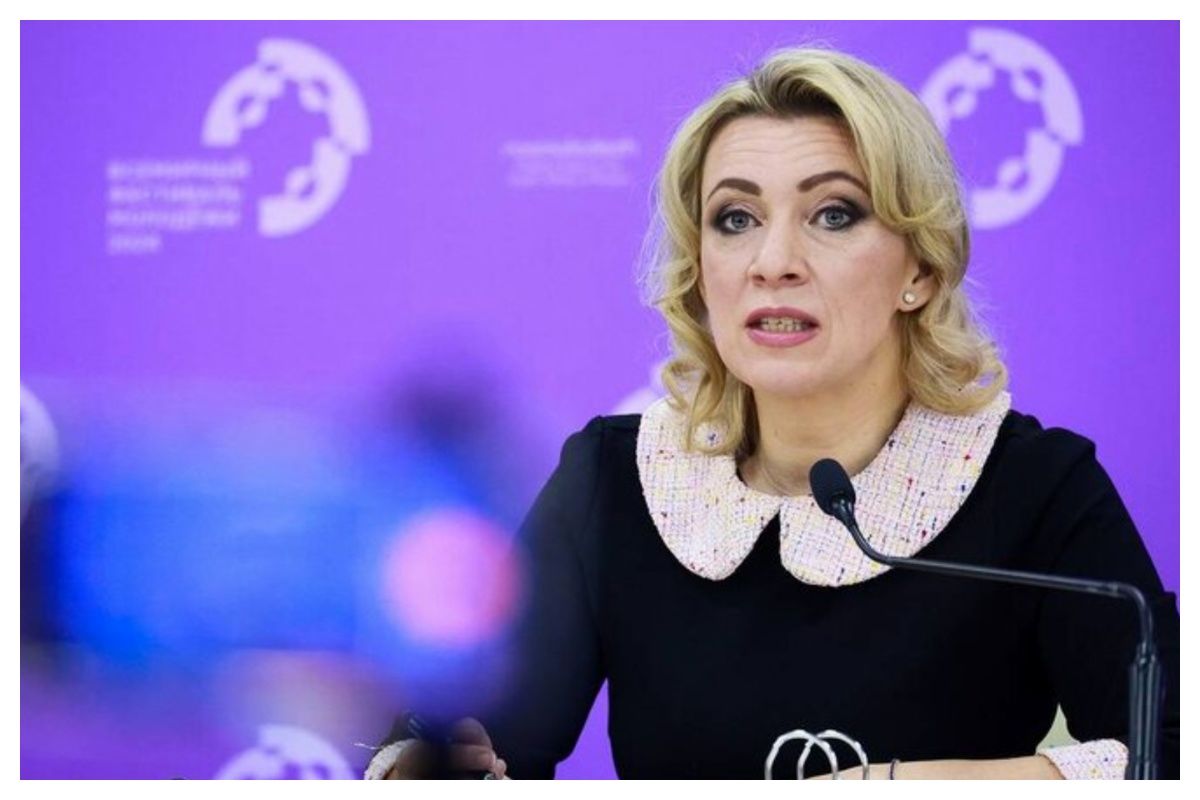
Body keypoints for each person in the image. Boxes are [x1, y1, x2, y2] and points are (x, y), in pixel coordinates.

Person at [365, 45, 1180, 780]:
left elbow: (1172, 751)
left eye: (834, 214)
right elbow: (470, 732)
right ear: (700, 269)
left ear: (921, 270)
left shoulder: (1034, 485)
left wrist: (901, 785)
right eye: (736, 220)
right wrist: (438, 763)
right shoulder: (615, 479)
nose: (773, 262)